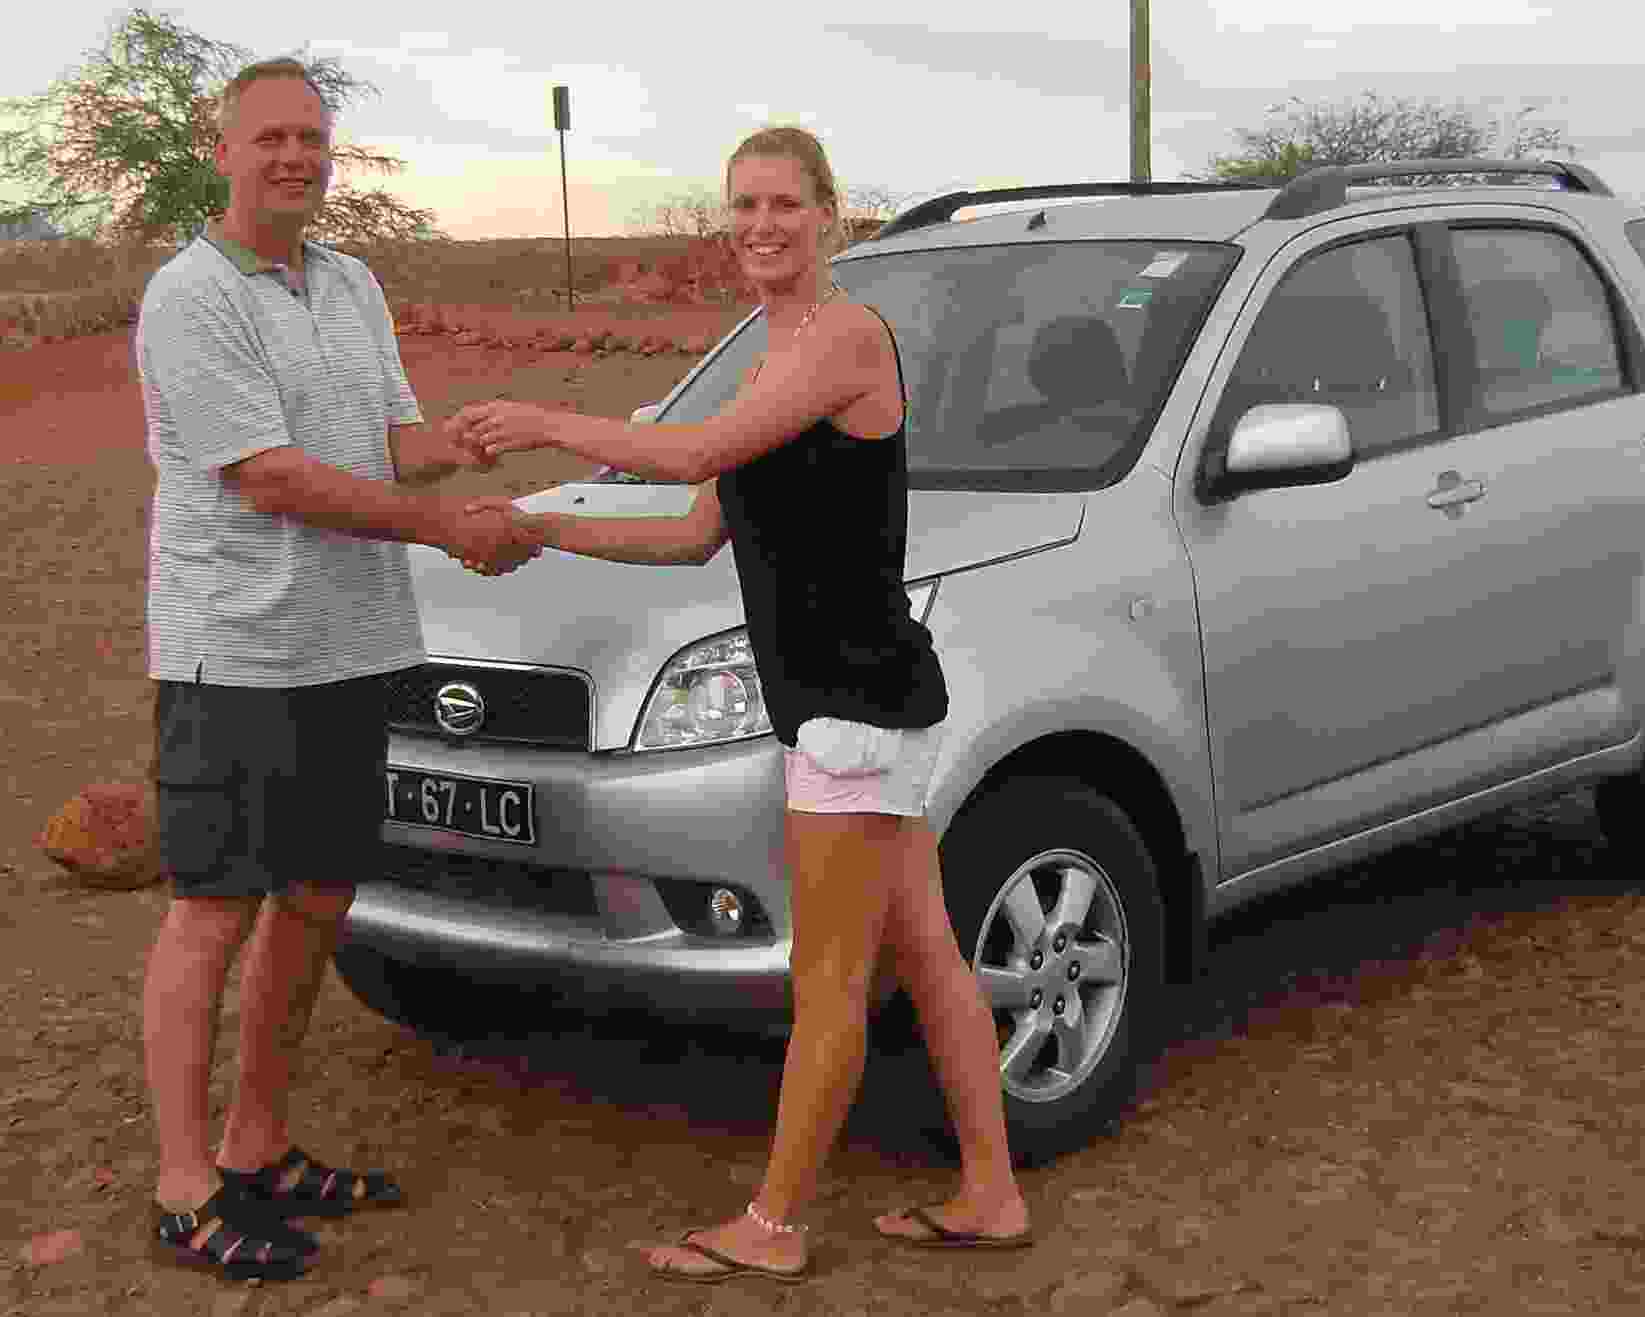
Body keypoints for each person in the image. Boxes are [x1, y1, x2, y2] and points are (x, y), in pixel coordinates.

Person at [448, 124, 1032, 1283]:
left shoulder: (845, 338)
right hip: (863, 711)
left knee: (828, 986)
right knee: (924, 954)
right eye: (744, 206)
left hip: (853, 714)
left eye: (782, 204)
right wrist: (542, 528)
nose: (760, 225)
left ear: (828, 216)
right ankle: (990, 1193)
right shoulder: (775, 357)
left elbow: (688, 454)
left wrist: (546, 424)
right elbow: (694, 533)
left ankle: (772, 1226)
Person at [137, 57, 542, 1281]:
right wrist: (444, 526)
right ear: (222, 151)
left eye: (311, 139)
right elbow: (268, 477)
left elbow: (386, 444)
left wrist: (464, 447)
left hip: (351, 644)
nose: (294, 158)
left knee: (314, 899)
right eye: (270, 138)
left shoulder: (352, 283)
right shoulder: (190, 295)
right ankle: (184, 1184)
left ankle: (258, 1144)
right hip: (236, 651)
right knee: (212, 909)